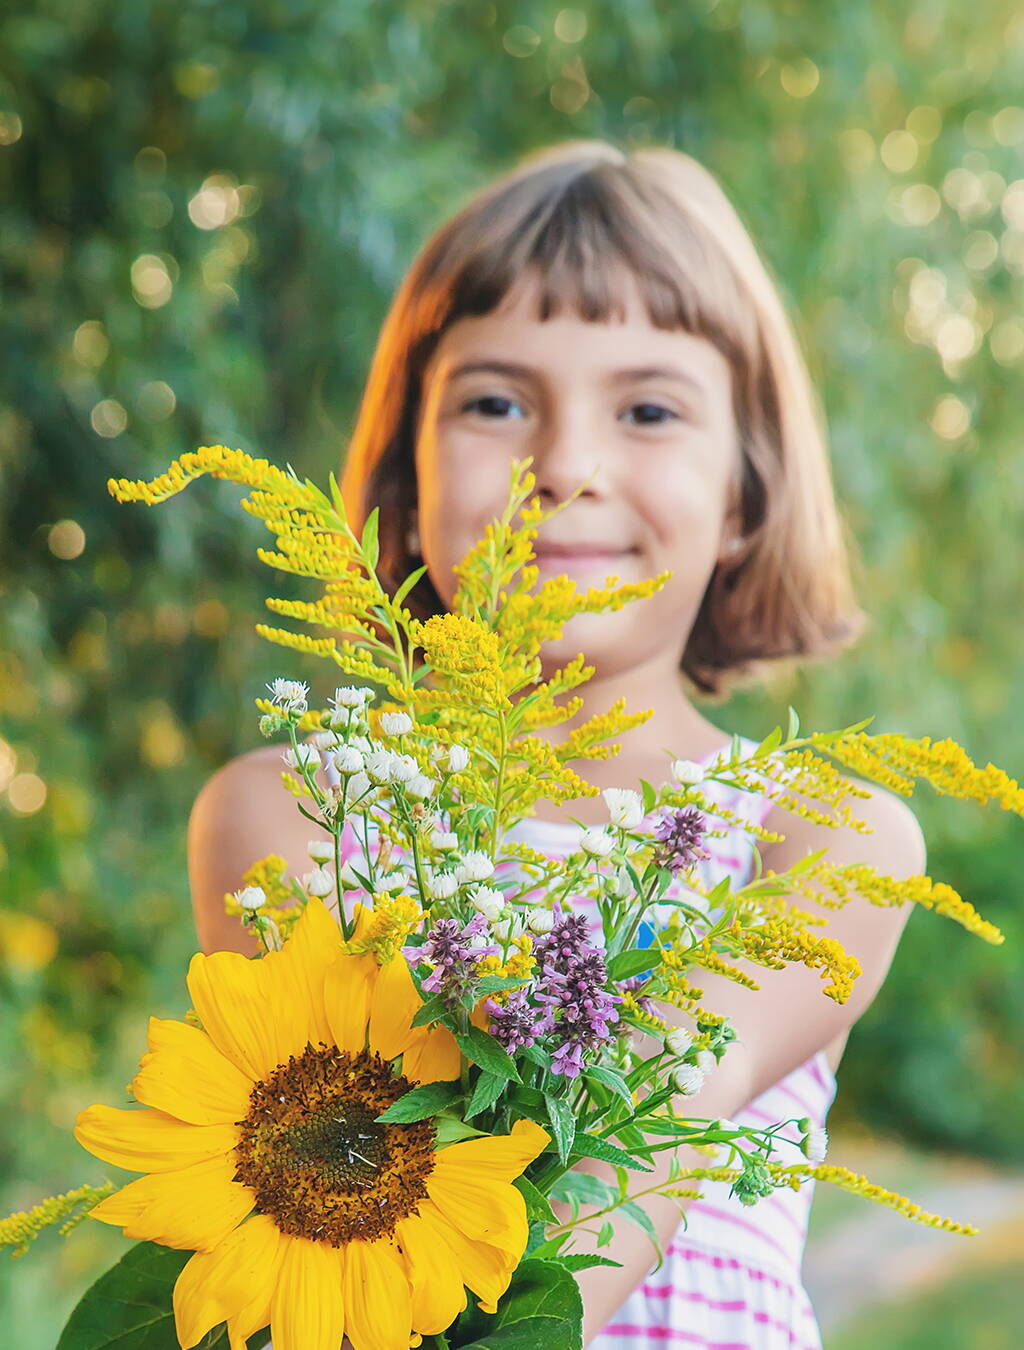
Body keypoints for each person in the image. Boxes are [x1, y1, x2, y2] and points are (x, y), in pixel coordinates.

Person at [188, 139, 925, 1348]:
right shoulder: (295, 810)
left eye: (648, 410)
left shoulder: (826, 838)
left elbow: (665, 1096)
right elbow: (324, 1185)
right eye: (495, 403)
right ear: (408, 475)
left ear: (744, 492)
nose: (567, 469)